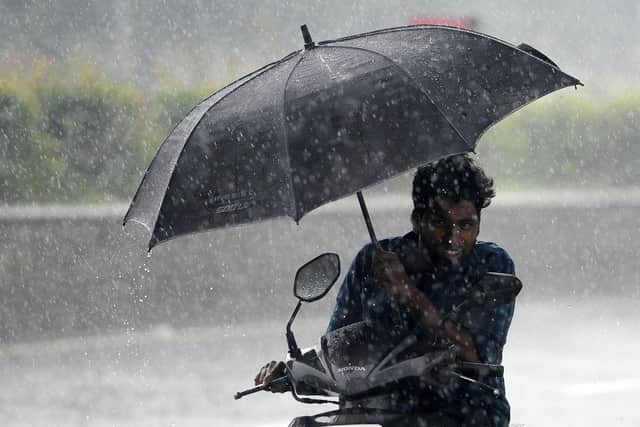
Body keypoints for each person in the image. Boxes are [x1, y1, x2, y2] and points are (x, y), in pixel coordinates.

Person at [256, 154, 517, 426]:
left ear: (479, 222)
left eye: (465, 225)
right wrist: (292, 373)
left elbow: (475, 356)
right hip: (379, 411)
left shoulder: (492, 265)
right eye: (441, 223)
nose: (453, 237)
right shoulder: (373, 262)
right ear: (418, 218)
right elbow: (339, 353)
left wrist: (408, 293)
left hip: (464, 411)